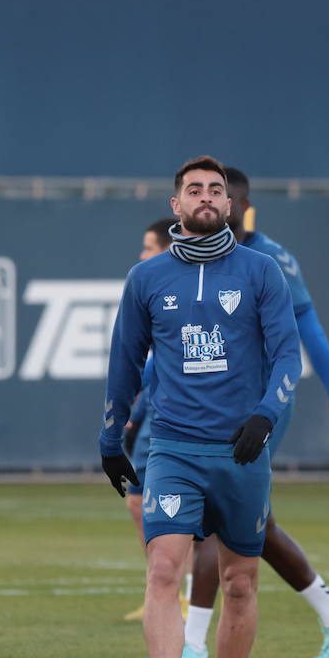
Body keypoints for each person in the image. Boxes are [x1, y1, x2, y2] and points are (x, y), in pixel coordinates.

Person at [100, 155, 300, 658]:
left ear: (230, 204)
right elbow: (123, 363)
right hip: (174, 448)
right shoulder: (147, 280)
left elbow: (287, 355)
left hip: (241, 454)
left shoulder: (261, 272)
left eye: (216, 190)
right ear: (176, 207)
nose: (207, 197)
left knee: (240, 582)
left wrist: (267, 416)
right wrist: (111, 440)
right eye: (195, 190)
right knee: (164, 567)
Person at [171, 165, 329, 658]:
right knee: (251, 524)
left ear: (242, 205)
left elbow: (311, 332)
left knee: (215, 517)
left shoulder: (269, 259)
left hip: (262, 409)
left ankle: (193, 642)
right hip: (211, 405)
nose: (222, 207)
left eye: (228, 198)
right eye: (211, 195)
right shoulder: (194, 262)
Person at [120, 217, 189, 622]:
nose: (142, 254)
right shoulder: (149, 287)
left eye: (148, 246)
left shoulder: (185, 290)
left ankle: (180, 594)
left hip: (176, 414)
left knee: (177, 510)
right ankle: (163, 587)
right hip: (153, 407)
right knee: (137, 500)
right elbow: (148, 359)